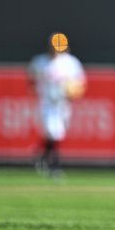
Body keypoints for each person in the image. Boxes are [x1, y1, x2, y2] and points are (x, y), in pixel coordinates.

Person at [28, 32, 86, 178]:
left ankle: (42, 156)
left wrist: (74, 91)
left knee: (58, 133)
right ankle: (54, 165)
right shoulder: (40, 62)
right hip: (47, 101)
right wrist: (35, 89)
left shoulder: (70, 63)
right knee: (53, 132)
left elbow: (80, 83)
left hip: (63, 102)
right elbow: (31, 78)